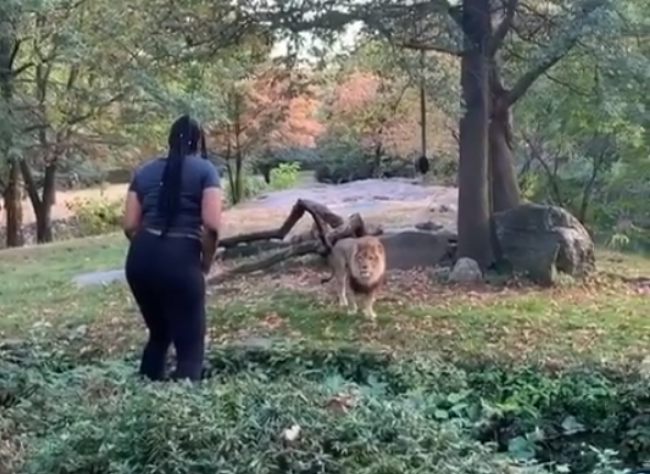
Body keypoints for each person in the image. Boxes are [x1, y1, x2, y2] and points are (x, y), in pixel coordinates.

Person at [122, 114, 222, 382]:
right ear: (197, 141)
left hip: (140, 260)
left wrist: (151, 249)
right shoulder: (205, 170)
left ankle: (146, 391)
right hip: (180, 259)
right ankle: (184, 407)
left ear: (169, 140)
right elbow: (211, 226)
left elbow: (130, 224)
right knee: (190, 346)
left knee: (159, 333)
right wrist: (206, 262)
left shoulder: (144, 171)